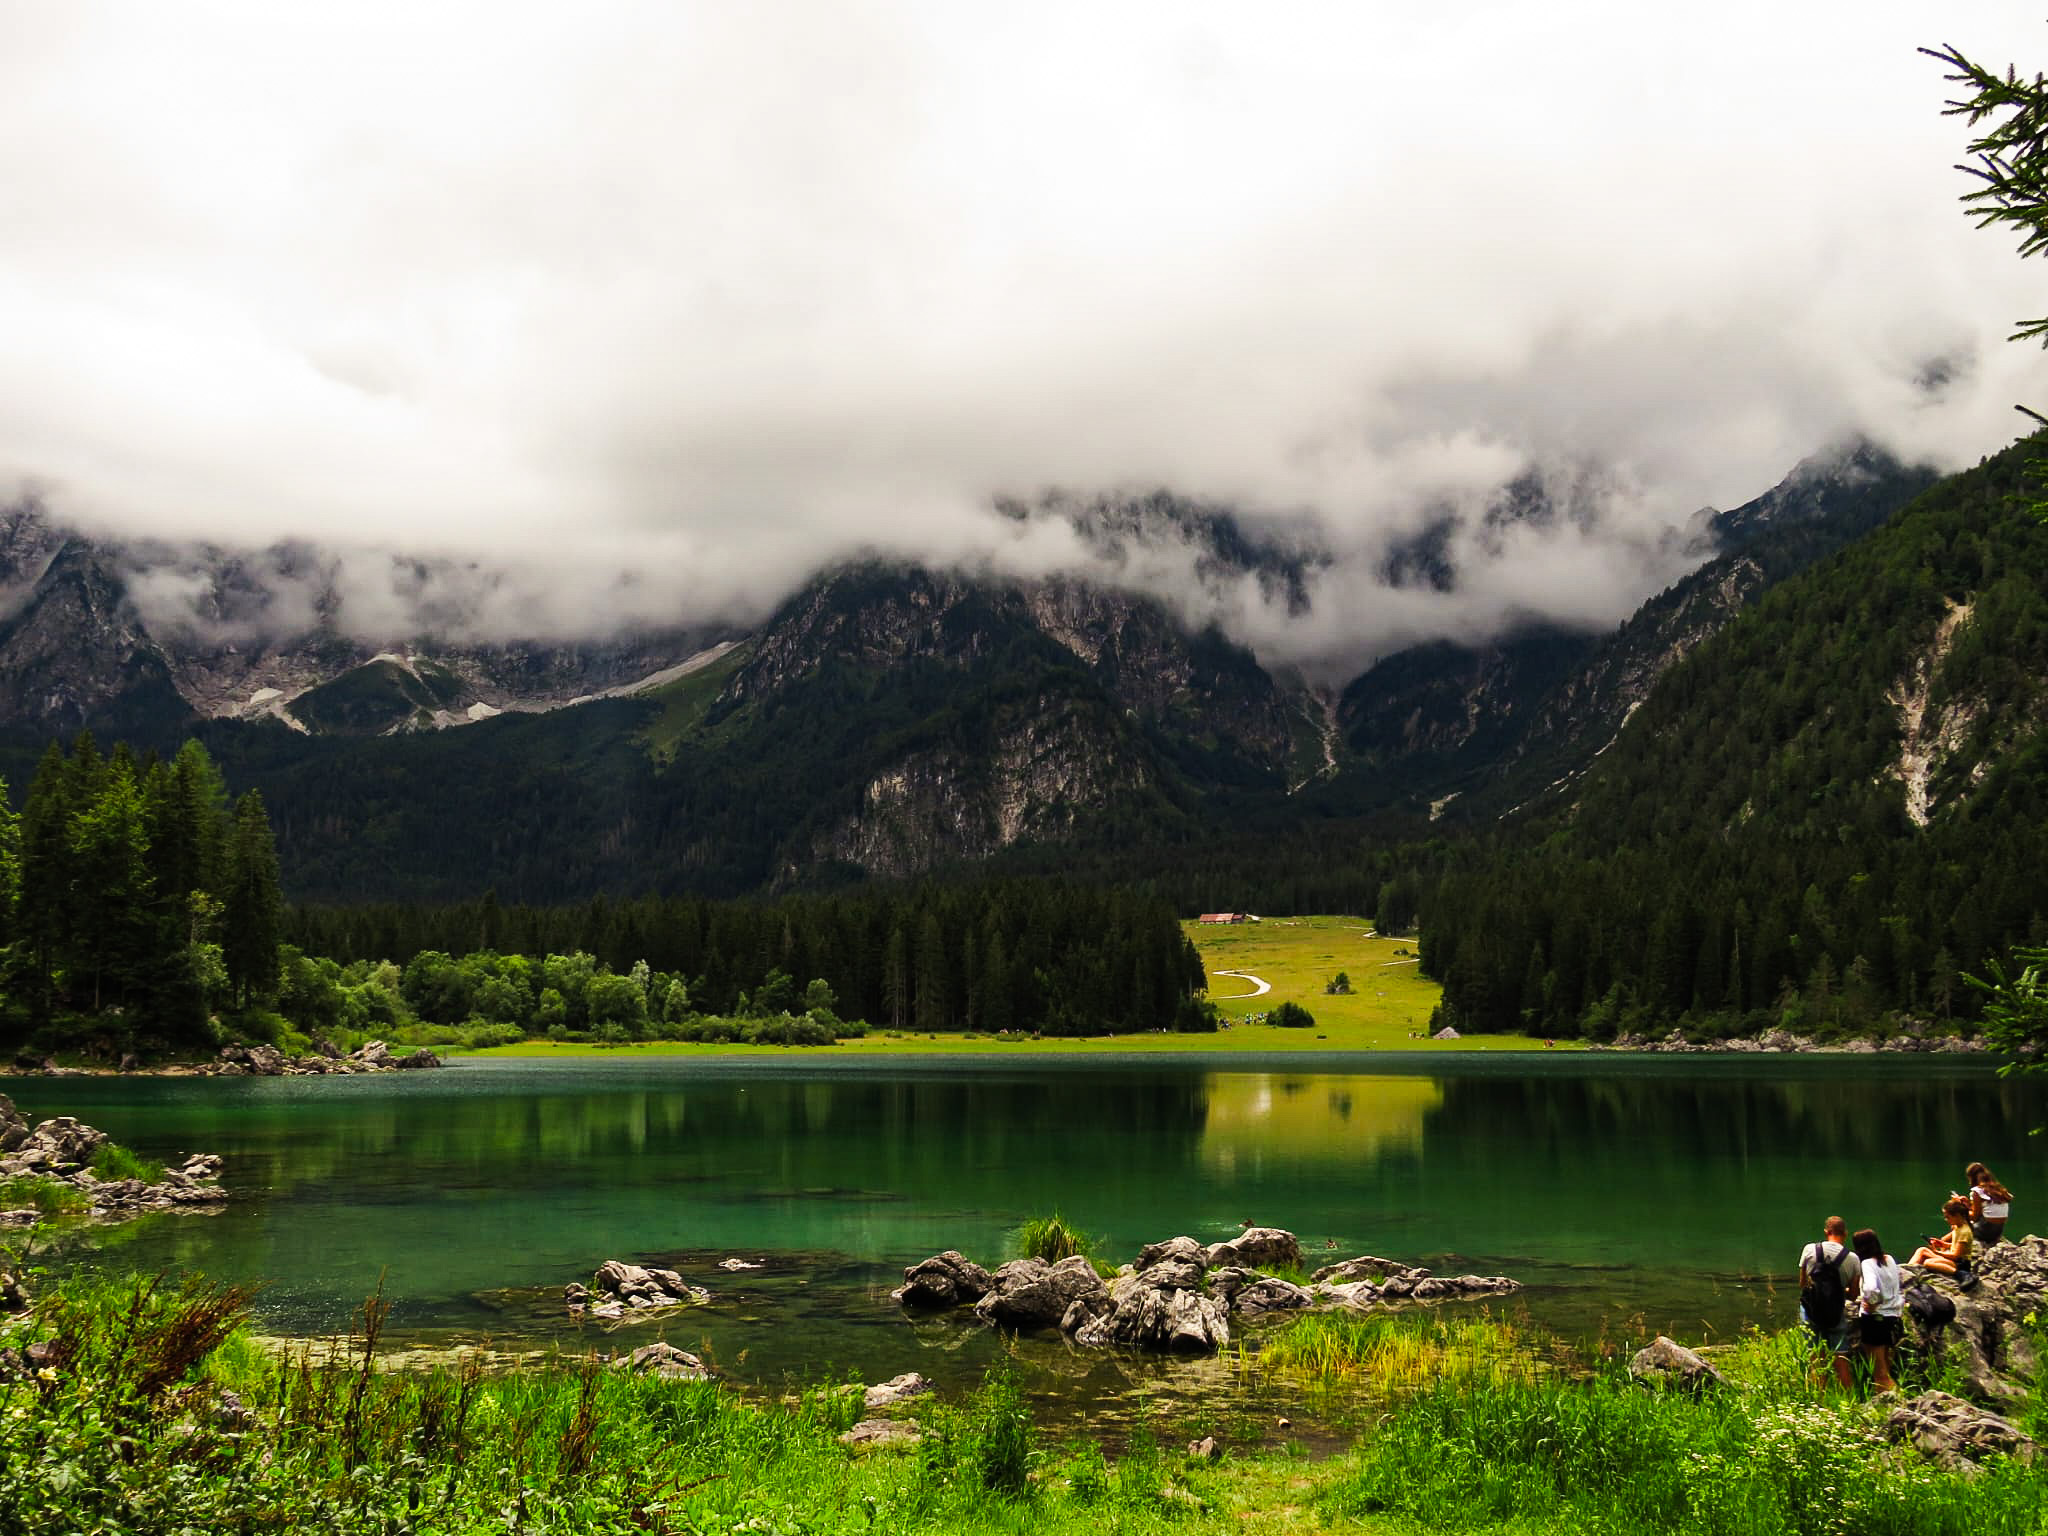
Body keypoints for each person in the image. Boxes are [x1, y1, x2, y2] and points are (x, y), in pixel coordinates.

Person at [1797, 1215, 1859, 1389]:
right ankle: (1847, 1398)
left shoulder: (1809, 1249)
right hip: (1835, 1311)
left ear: (1826, 1232)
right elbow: (1854, 1295)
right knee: (1841, 1355)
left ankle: (1818, 1398)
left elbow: (1803, 1284)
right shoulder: (1852, 1258)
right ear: (1845, 1234)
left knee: (1815, 1355)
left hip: (1811, 1310)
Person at [1852, 1228, 1903, 1394]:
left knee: (1879, 1374)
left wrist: (1871, 1302)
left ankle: (1901, 1405)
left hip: (1875, 1319)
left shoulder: (1867, 1264)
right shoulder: (1889, 1259)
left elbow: (1871, 1289)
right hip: (1893, 1316)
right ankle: (1884, 1403)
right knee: (1886, 1368)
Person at [1906, 1198, 1974, 1275]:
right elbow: (1958, 1247)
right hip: (1954, 1261)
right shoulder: (1957, 1227)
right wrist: (1942, 1244)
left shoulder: (1964, 1232)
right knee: (1922, 1250)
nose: (1946, 1219)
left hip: (1960, 1264)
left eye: (1948, 1217)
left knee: (1928, 1263)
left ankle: (1959, 1274)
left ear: (1957, 1216)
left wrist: (1937, 1252)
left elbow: (1956, 1256)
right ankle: (1907, 1270)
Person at [1963, 1163, 2012, 1248]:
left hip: (1985, 1232)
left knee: (1957, 1217)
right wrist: (1968, 1204)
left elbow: (1975, 1217)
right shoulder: (1999, 1189)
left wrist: (1963, 1209)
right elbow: (1985, 1211)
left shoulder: (1977, 1191)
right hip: (1998, 1232)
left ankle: (1943, 1244)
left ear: (1972, 1177)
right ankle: (1943, 1242)